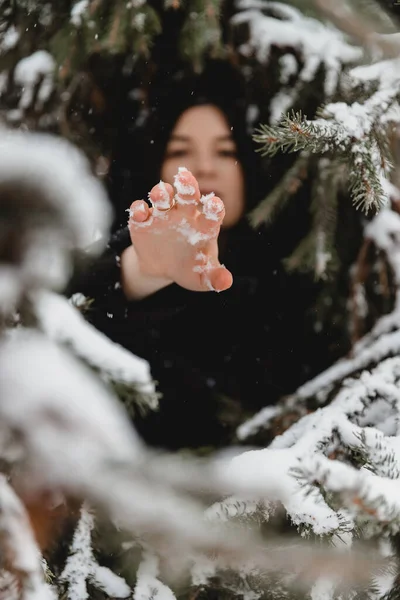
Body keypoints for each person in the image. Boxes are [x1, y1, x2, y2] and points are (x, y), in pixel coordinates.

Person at [69, 61, 339, 451]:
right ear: (155, 166)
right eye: (181, 149)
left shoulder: (303, 289)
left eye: (225, 151)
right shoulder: (108, 267)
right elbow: (82, 312)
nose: (204, 167)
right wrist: (144, 271)